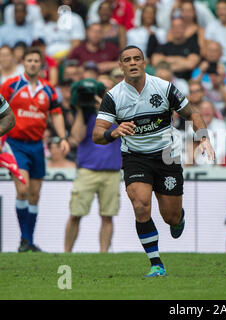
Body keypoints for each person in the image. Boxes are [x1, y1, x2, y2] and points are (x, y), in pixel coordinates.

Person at [92, 45, 214, 277]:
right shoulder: (113, 97)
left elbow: (193, 113)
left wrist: (203, 139)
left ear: (144, 63)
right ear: (120, 66)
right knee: (141, 205)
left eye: (137, 58)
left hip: (167, 155)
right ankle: (156, 263)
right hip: (135, 157)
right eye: (127, 60)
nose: (132, 63)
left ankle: (178, 219)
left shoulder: (164, 87)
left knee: (171, 216)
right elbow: (97, 134)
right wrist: (113, 132)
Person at [0, 47, 70, 252]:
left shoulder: (48, 89)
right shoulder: (10, 86)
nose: (32, 64)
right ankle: (25, 239)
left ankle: (28, 241)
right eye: (29, 60)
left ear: (41, 65)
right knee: (22, 189)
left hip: (38, 145)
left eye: (35, 61)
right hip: (15, 144)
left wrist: (63, 137)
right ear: (24, 64)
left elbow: (56, 114)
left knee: (35, 194)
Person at [64, 78, 121, 253]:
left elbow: (122, 129)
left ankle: (103, 255)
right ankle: (67, 253)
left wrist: (104, 108)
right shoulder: (85, 111)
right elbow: (76, 138)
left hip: (111, 170)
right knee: (75, 214)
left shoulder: (118, 109)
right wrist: (81, 109)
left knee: (107, 216)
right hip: (87, 170)